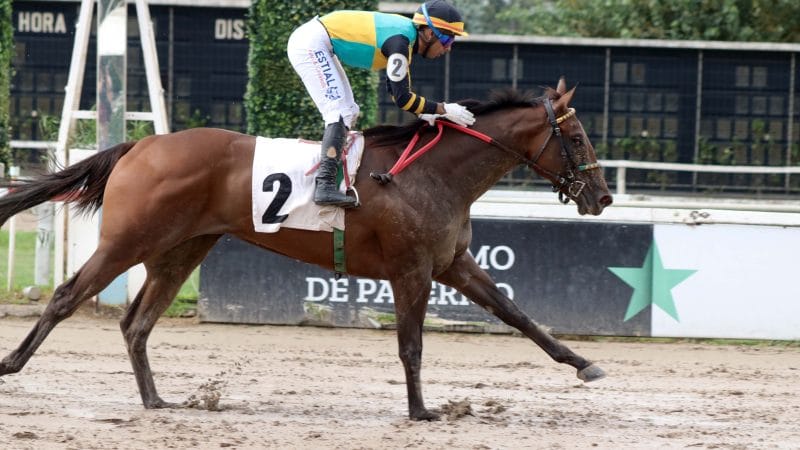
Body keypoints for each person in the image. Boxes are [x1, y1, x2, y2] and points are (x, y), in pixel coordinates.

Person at [287, 0, 475, 208]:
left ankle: (332, 177)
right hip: (312, 43)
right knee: (338, 112)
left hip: (318, 41)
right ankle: (324, 186)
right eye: (448, 40)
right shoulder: (400, 43)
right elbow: (403, 98)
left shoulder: (405, 42)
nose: (448, 48)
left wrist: (425, 113)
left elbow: (396, 92)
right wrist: (442, 109)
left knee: (349, 111)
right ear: (430, 33)